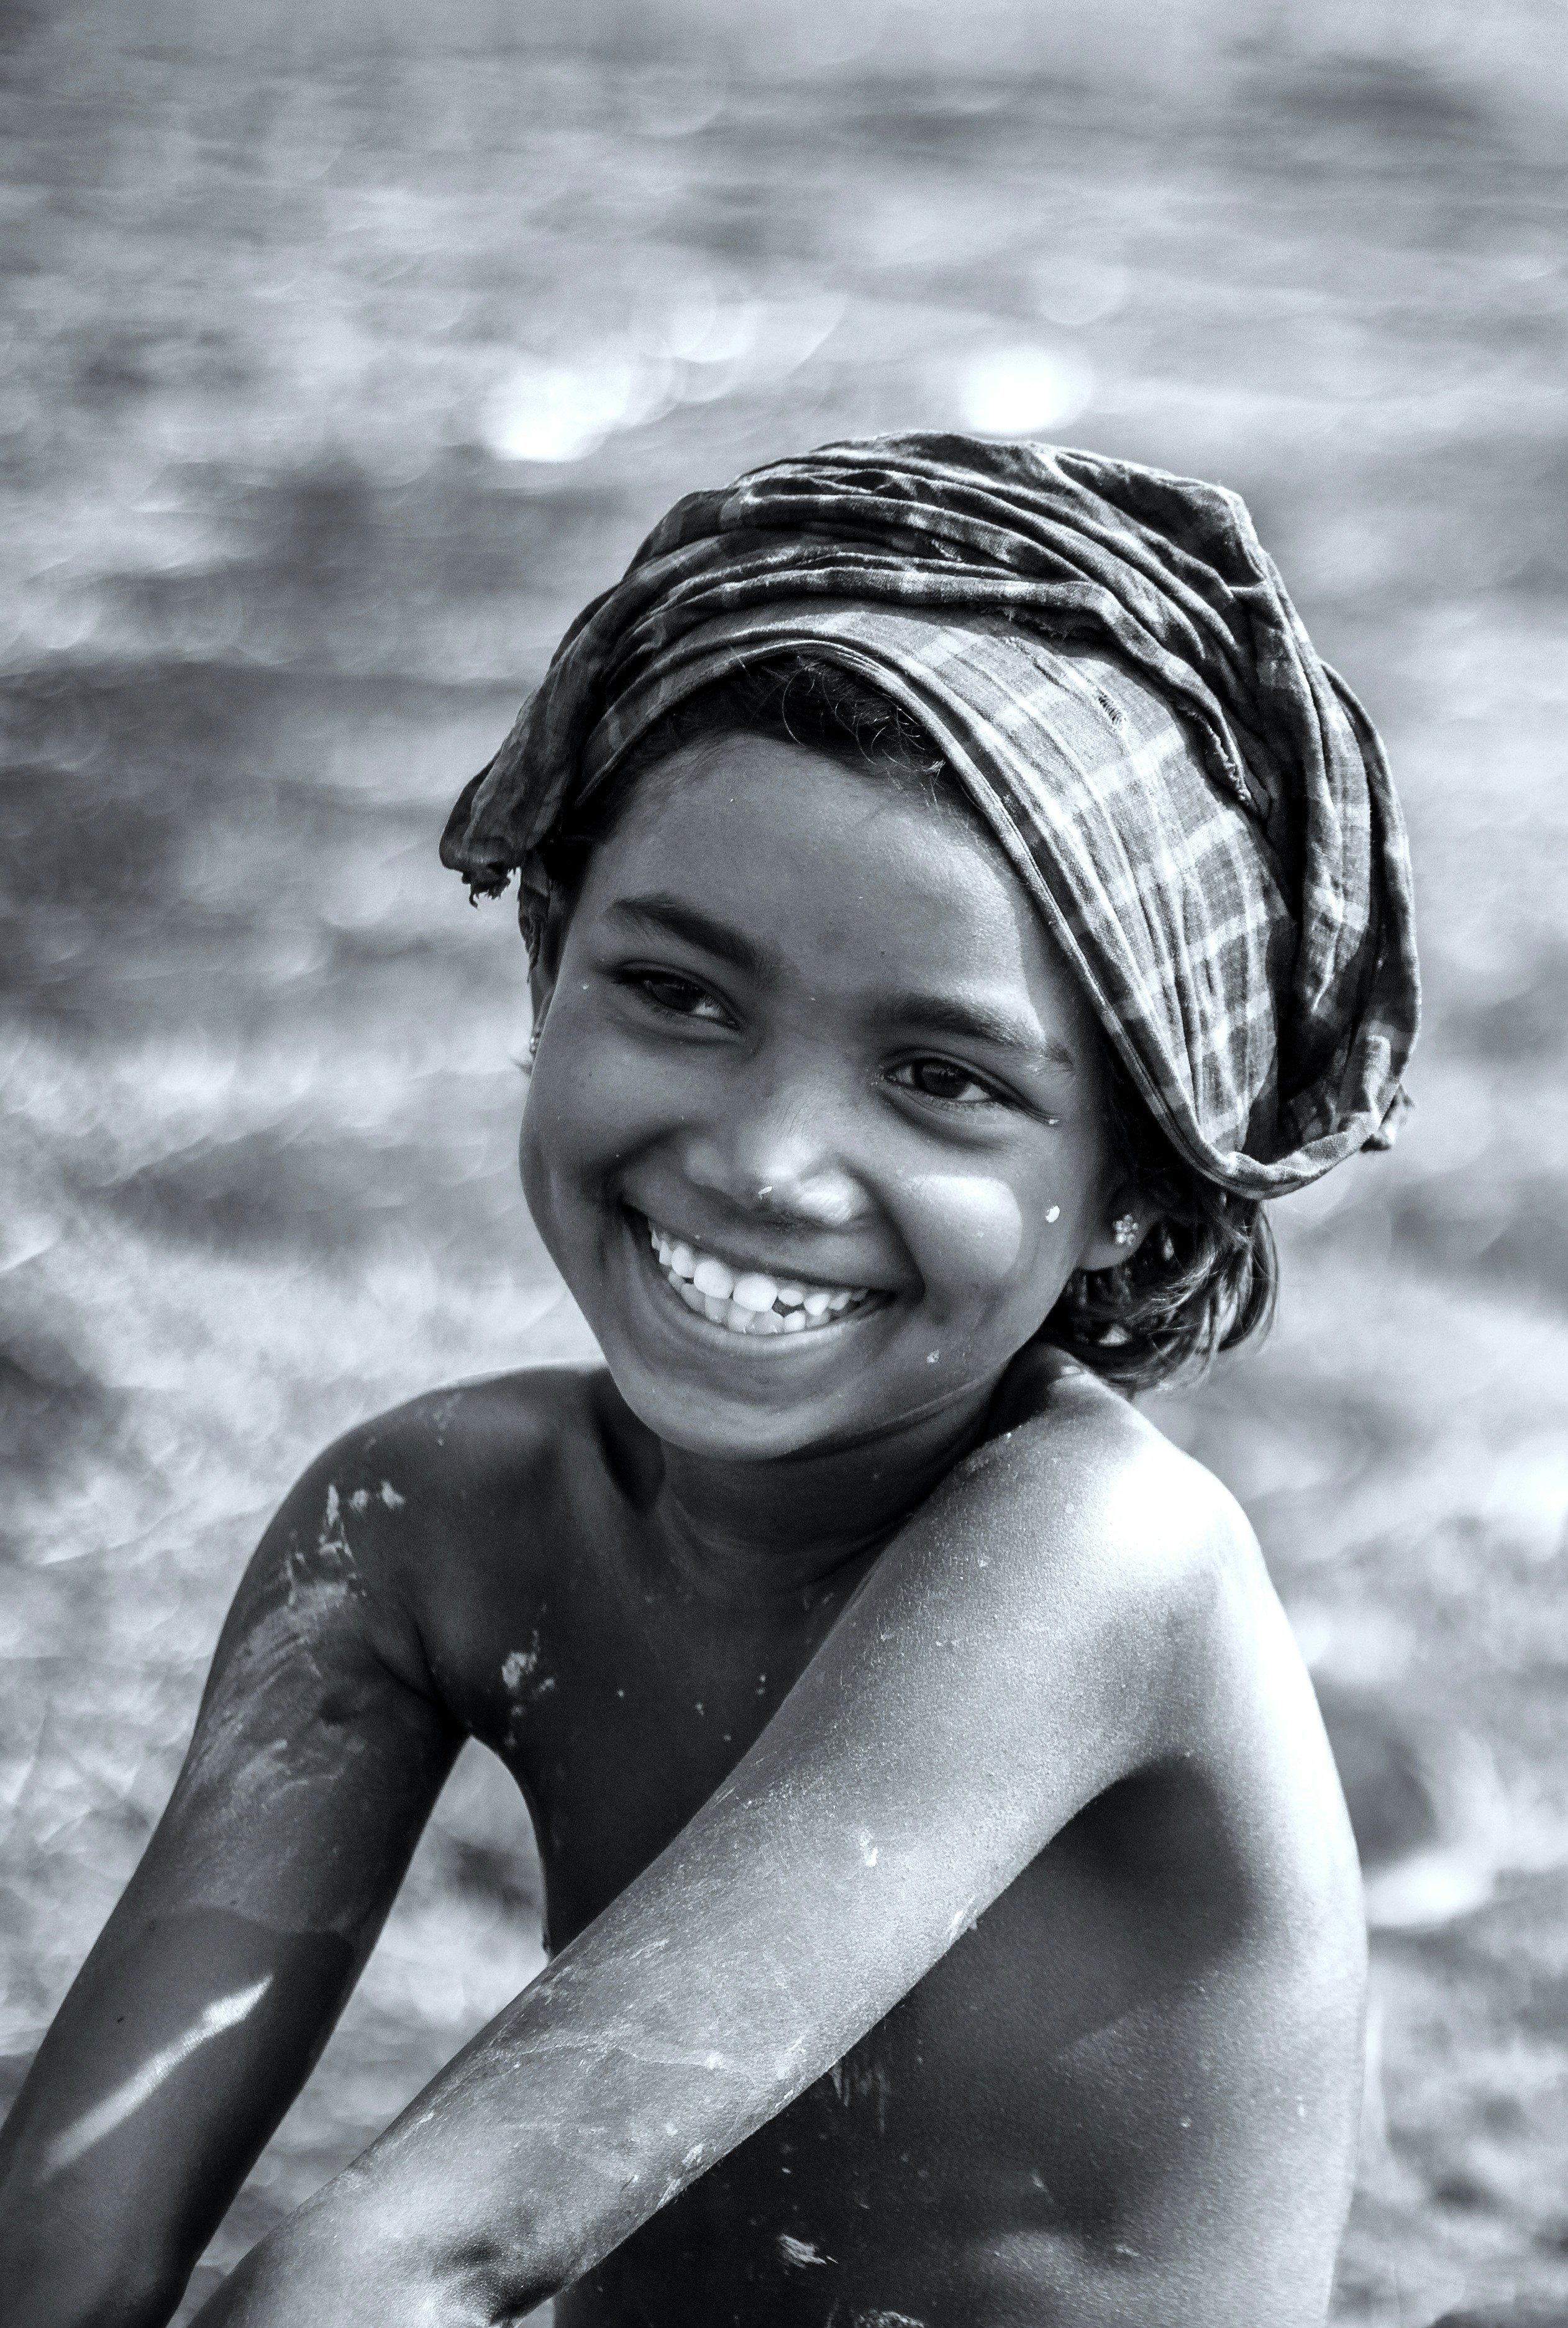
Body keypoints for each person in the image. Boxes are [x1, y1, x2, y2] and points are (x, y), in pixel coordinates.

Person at [0, 435, 1420, 2328]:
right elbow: (68, 2247)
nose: (764, 1158)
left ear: (1136, 1197)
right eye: (677, 992)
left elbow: (417, 2255)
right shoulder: (415, 1522)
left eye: (941, 1077)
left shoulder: (1097, 1556)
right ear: (544, 964)